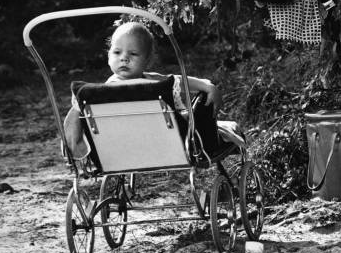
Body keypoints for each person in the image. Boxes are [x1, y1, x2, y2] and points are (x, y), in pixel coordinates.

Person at [64, 22, 222, 158]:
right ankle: (208, 141)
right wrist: (206, 86)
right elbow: (178, 82)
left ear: (147, 60)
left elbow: (178, 81)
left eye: (133, 54)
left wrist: (207, 85)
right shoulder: (102, 93)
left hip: (123, 150)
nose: (124, 58)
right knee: (196, 113)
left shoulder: (97, 93)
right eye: (117, 52)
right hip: (159, 145)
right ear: (108, 56)